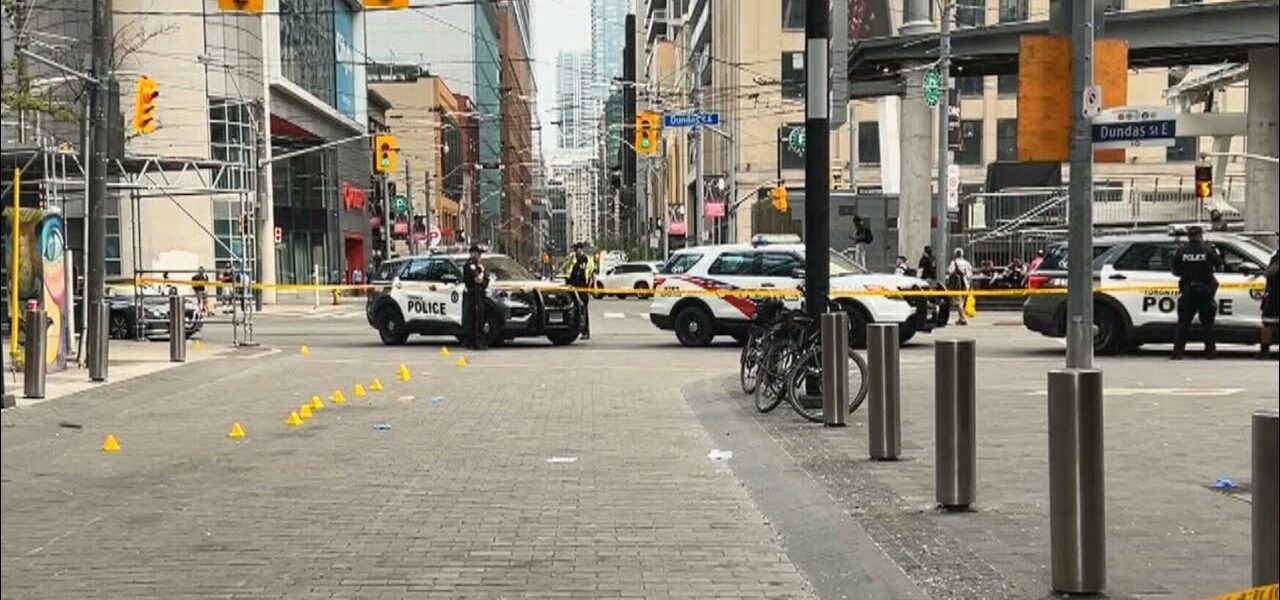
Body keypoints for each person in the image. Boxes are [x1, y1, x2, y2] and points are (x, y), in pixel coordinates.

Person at [1171, 225, 1223, 360]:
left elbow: (1174, 270)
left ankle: (1177, 353)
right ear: (1201, 235)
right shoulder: (1208, 250)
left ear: (1188, 236)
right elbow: (1220, 266)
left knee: (1183, 323)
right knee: (1208, 324)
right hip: (1205, 290)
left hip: (1188, 290)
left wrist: (1186, 273)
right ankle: (1210, 353)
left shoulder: (1181, 251)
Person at [562, 242, 596, 340]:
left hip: (582, 289)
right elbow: (564, 270)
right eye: (574, 249)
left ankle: (585, 331)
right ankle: (573, 331)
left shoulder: (587, 260)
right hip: (572, 288)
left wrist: (594, 286)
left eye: (576, 249)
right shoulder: (572, 260)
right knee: (573, 310)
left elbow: (592, 274)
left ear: (581, 249)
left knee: (583, 310)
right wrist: (567, 261)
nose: (575, 251)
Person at [461, 245, 490, 350]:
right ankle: (474, 341)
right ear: (473, 253)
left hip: (479, 294)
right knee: (473, 318)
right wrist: (482, 272)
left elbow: (485, 281)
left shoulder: (478, 266)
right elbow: (478, 279)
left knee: (479, 318)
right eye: (478, 253)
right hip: (472, 295)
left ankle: (476, 341)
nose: (479, 256)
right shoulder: (470, 265)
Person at [1259, 245, 1279, 360]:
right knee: (1268, 322)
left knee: (1268, 323)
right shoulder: (1275, 256)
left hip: (1274, 295)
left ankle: (1264, 352)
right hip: (1273, 294)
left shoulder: (1277, 257)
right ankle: (1264, 351)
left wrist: (1266, 272)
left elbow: (1271, 273)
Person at [947, 248, 974, 326]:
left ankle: (962, 319)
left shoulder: (954, 262)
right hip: (965, 284)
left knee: (959, 302)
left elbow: (950, 271)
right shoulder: (966, 263)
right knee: (962, 301)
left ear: (955, 254)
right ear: (962, 254)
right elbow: (970, 274)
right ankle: (961, 318)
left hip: (957, 285)